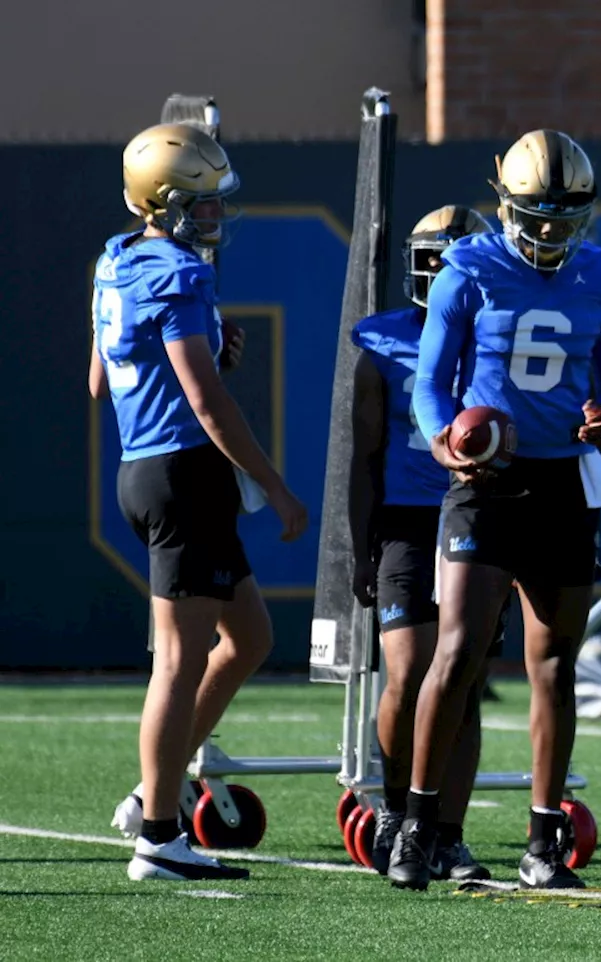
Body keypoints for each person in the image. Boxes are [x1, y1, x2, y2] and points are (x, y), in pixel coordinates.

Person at [387, 129, 601, 891]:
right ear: (504, 204)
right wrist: (444, 443)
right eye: (537, 214)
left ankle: (542, 840)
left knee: (554, 665)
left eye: (566, 216)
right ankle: (418, 830)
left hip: (564, 484)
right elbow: (432, 382)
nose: (552, 230)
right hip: (486, 482)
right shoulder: (470, 266)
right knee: (457, 653)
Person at [93, 123, 308, 880]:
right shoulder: (180, 272)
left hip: (144, 468)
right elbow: (208, 402)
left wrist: (206, 342)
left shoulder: (115, 259)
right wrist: (274, 485)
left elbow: (99, 381)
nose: (215, 216)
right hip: (183, 472)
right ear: (165, 202)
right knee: (180, 659)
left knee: (248, 637)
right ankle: (157, 833)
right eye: (202, 204)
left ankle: (160, 785)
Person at [348, 205, 502, 880]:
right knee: (409, 672)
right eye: (436, 260)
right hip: (409, 520)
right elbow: (365, 455)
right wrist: (358, 547)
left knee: (463, 681)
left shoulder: (504, 340)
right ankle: (392, 806)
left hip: (478, 515)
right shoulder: (383, 343)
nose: (442, 275)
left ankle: (448, 832)